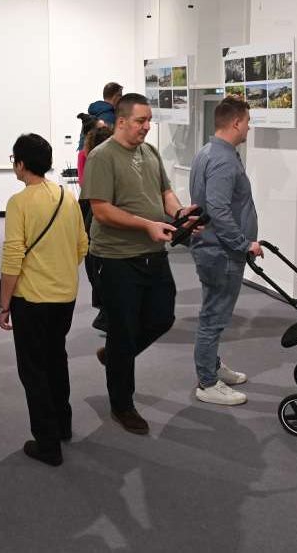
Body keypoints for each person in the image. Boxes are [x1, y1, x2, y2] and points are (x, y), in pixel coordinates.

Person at [80, 93, 200, 435]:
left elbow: (165, 193)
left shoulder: (149, 152)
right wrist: (147, 224)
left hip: (153, 252)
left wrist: (180, 213)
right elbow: (102, 211)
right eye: (140, 121)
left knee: (162, 317)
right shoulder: (102, 157)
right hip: (115, 257)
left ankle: (115, 355)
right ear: (121, 121)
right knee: (123, 329)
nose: (147, 126)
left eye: (149, 120)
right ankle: (122, 404)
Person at [0, 133, 88, 466]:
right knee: (56, 359)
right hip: (65, 296)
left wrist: (4, 304)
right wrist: (59, 270)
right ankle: (62, 425)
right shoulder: (67, 197)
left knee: (33, 370)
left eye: (14, 161)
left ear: (21, 164)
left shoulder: (19, 203)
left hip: (32, 300)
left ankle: (48, 444)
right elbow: (82, 245)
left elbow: (12, 258)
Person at [188, 96, 260, 406]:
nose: (248, 128)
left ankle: (212, 366)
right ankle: (207, 382)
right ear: (236, 122)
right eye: (247, 122)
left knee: (212, 312)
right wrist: (244, 244)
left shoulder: (208, 152)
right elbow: (218, 209)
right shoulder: (224, 160)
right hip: (221, 252)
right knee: (213, 317)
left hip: (213, 249)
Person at [79, 125, 112, 333]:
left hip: (99, 240)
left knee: (100, 276)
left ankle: (108, 315)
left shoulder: (97, 173)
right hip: (101, 240)